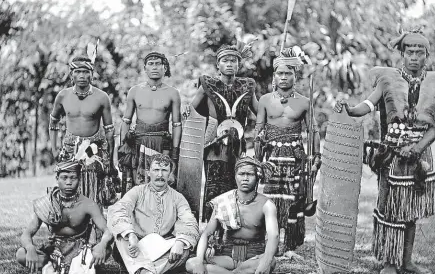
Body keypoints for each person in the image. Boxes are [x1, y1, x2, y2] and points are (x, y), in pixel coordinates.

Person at [334, 28, 435, 274]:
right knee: (389, 207)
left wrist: (419, 148)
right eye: (410, 52)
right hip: (392, 156)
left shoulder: (433, 84)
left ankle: (407, 261)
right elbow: (366, 105)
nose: (414, 57)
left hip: (419, 157)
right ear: (402, 54)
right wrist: (349, 108)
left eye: (420, 52)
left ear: (426, 56)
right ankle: (389, 262)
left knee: (410, 210)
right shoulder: (387, 80)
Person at [254, 47, 321, 254]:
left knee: (294, 197)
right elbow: (259, 129)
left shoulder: (304, 101)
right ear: (274, 76)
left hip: (295, 157)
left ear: (295, 75)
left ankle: (289, 242)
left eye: (288, 73)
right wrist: (257, 158)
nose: (284, 77)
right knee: (271, 197)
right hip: (271, 156)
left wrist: (315, 158)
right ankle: (270, 239)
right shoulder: (265, 100)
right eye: (280, 73)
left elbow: (314, 131)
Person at [185, 44, 258, 219]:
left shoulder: (247, 86)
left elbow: (259, 112)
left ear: (239, 65)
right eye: (225, 61)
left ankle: (233, 222)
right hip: (213, 140)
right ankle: (213, 225)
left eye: (233, 61)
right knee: (214, 179)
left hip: (237, 140)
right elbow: (191, 111)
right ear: (218, 65)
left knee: (236, 178)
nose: (230, 64)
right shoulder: (208, 85)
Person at [107, 154, 199, 274]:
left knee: (184, 249)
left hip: (160, 249)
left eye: (164, 170)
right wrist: (131, 234)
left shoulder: (178, 198)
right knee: (121, 236)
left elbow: (188, 220)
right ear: (148, 172)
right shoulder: (137, 191)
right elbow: (118, 210)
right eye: (156, 170)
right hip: (135, 246)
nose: (160, 175)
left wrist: (180, 242)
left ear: (170, 174)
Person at [15, 160, 113, 274]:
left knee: (108, 249)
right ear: (57, 178)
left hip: (80, 251)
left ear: (79, 179)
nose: (68, 182)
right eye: (64, 177)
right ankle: (52, 266)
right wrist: (30, 248)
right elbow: (27, 233)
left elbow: (108, 231)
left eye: (73, 178)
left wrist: (102, 245)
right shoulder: (47, 203)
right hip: (54, 251)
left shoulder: (88, 204)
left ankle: (45, 270)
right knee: (20, 254)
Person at [186, 157, 279, 274]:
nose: (245, 178)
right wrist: (198, 261)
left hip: (252, 257)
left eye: (250, 174)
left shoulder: (267, 205)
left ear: (257, 176)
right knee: (191, 263)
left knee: (270, 261)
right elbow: (207, 234)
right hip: (227, 257)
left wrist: (265, 263)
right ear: (235, 176)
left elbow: (274, 236)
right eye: (241, 174)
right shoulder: (223, 201)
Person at [49, 55, 117, 209]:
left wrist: (110, 160)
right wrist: (54, 149)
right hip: (69, 150)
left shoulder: (102, 97)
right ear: (71, 74)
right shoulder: (63, 96)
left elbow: (109, 131)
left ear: (92, 74)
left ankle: (94, 228)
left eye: (86, 72)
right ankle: (71, 228)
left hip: (94, 151)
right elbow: (53, 123)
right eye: (78, 71)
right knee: (69, 188)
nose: (82, 76)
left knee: (94, 189)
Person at [117, 52, 182, 191]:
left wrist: (175, 151)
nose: (154, 67)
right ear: (145, 68)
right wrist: (123, 147)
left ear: (165, 68)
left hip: (162, 143)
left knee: (161, 181)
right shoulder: (134, 91)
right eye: (151, 64)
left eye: (158, 64)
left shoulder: (173, 93)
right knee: (137, 183)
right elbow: (126, 121)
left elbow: (177, 125)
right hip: (138, 142)